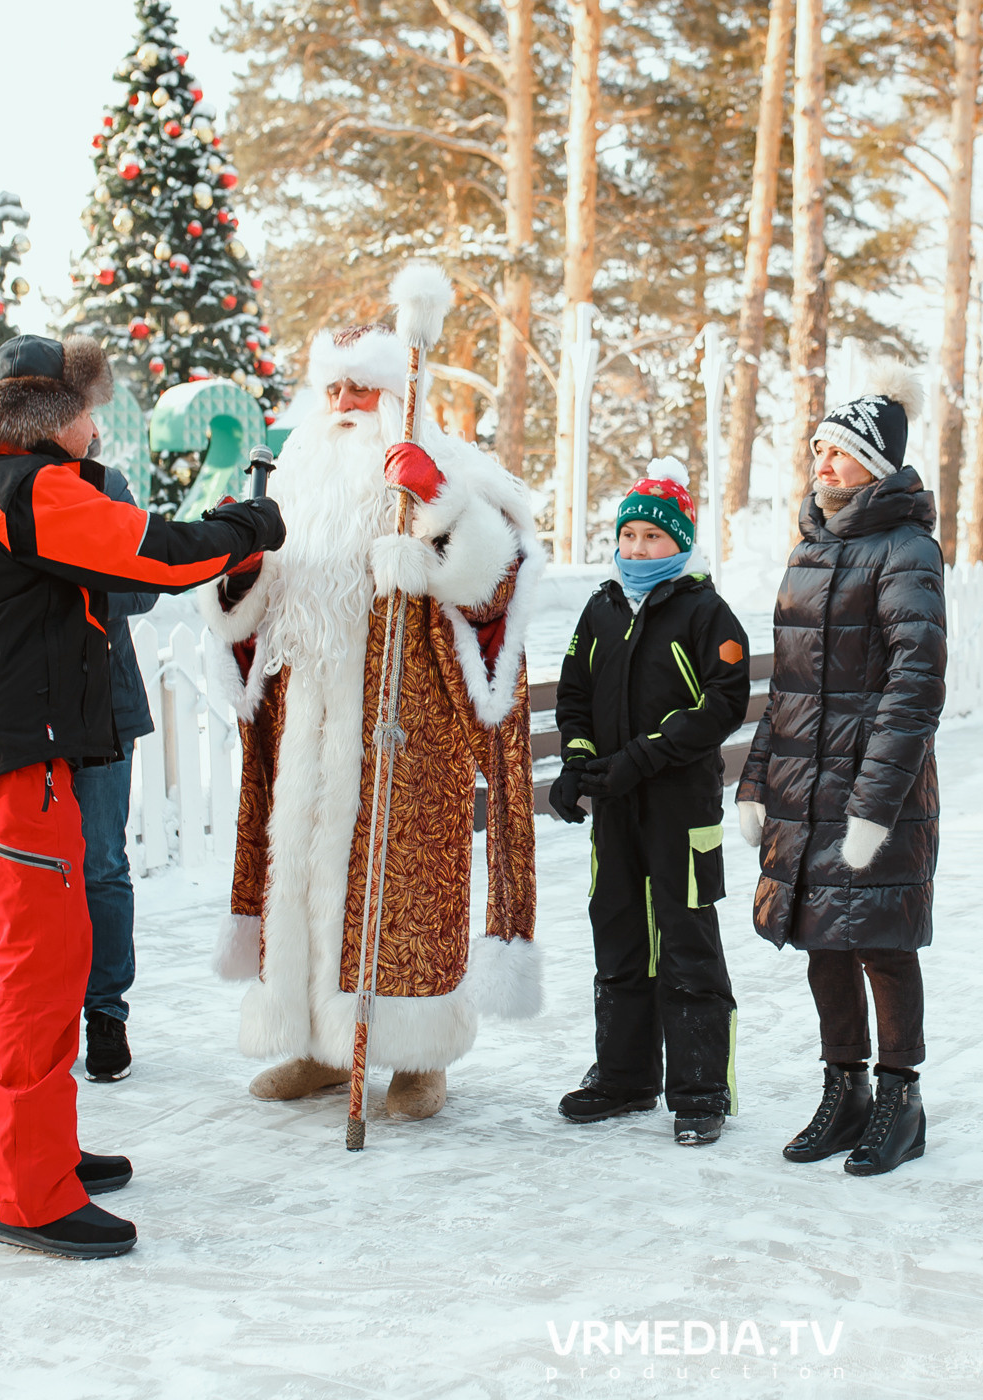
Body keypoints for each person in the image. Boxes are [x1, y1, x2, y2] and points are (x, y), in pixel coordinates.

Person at [0, 333, 284, 1260]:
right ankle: (28, 1194)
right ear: (50, 417)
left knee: (26, 967)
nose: (99, 428)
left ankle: (34, 1151)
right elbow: (154, 555)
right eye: (91, 410)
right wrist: (248, 526)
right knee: (42, 969)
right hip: (17, 762)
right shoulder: (29, 486)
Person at [197, 300, 541, 1123]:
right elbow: (250, 618)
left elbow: (497, 593)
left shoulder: (451, 471)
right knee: (308, 878)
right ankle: (319, 1044)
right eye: (334, 389)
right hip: (309, 723)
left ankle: (419, 1056)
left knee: (404, 887)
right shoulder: (294, 483)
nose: (345, 404)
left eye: (362, 390)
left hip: (408, 727)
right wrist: (237, 575)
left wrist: (440, 516)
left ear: (394, 396)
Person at [737, 362, 945, 1178]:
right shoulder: (809, 548)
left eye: (839, 450)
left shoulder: (908, 550)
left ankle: (900, 1098)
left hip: (872, 785)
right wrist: (758, 780)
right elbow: (788, 685)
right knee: (820, 936)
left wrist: (875, 804)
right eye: (818, 448)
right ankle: (845, 1087)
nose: (822, 461)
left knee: (882, 940)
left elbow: (914, 686)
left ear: (876, 466)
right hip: (803, 784)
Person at [550, 459, 751, 1146]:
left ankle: (701, 1090)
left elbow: (723, 703)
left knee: (686, 940)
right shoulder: (602, 609)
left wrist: (641, 757)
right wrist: (578, 762)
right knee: (618, 935)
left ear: (681, 542)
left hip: (679, 810)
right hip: (614, 809)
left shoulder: (704, 612)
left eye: (653, 537)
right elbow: (575, 692)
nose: (637, 549)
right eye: (628, 535)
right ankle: (625, 1077)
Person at [76, 463, 157, 1085]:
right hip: (27, 710)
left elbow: (144, 580)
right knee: (35, 871)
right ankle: (44, 1012)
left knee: (102, 862)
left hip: (105, 703)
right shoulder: (2, 479)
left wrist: (66, 581)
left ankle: (106, 1012)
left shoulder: (107, 485)